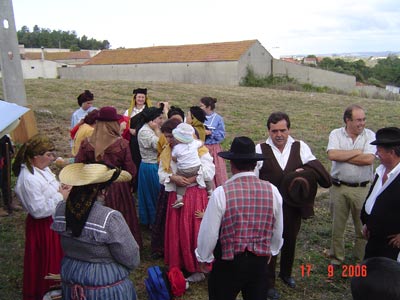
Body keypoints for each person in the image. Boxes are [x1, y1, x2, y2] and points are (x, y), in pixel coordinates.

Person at [195, 136, 284, 300]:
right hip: (259, 262)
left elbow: (209, 232)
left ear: (232, 163)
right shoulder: (272, 191)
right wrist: (272, 249)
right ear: (255, 164)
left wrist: (204, 256)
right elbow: (278, 229)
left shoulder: (221, 193)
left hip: (228, 263)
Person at [255, 111, 330, 300]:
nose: (279, 135)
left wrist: (303, 171)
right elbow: (254, 178)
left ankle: (286, 273)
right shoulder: (260, 149)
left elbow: (318, 170)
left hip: (292, 206)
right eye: (274, 131)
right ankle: (269, 283)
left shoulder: (300, 147)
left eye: (283, 130)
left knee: (290, 239)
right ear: (269, 131)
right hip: (269, 206)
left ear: (289, 129)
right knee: (271, 243)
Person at [52, 163, 140, 300]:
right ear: (103, 191)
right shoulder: (109, 218)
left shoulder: (60, 209)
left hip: (71, 276)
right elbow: (130, 256)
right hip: (104, 283)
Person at [12, 134, 71, 300]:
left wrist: (62, 187)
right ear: (35, 157)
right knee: (47, 261)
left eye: (52, 154)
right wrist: (61, 196)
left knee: (57, 257)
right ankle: (47, 292)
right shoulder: (28, 180)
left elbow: (52, 188)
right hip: (43, 226)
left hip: (53, 221)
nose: (52, 158)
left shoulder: (42, 169)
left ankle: (59, 290)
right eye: (48, 155)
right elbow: (38, 211)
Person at [75, 106, 143, 248]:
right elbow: (131, 170)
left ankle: (94, 244)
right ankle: (122, 246)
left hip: (91, 186)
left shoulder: (87, 143)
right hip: (116, 187)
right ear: (114, 124)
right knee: (119, 218)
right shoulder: (122, 144)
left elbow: (78, 165)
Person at [159, 120, 215, 279]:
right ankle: (180, 263)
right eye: (166, 137)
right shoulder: (167, 152)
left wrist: (190, 179)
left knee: (193, 229)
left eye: (171, 137)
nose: (169, 140)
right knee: (178, 230)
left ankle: (197, 267)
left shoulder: (199, 149)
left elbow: (209, 171)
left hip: (195, 195)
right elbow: (162, 174)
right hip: (177, 195)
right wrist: (173, 177)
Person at [327, 104, 375, 268]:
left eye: (363, 119)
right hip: (339, 188)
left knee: (362, 228)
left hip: (362, 190)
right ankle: (336, 259)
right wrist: (357, 152)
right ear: (348, 120)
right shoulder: (335, 134)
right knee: (337, 227)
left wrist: (343, 156)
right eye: (358, 120)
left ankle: (358, 260)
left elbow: (369, 160)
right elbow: (332, 154)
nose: (362, 123)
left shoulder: (370, 135)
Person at [361, 127, 400, 261]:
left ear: (392, 153)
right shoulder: (380, 171)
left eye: (379, 151)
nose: (376, 154)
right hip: (374, 240)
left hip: (392, 247)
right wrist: (368, 223)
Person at [171, 122, 213, 208]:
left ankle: (179, 198)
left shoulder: (176, 148)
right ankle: (210, 191)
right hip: (196, 168)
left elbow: (174, 158)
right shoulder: (194, 144)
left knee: (180, 184)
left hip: (192, 185)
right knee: (208, 180)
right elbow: (201, 142)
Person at [137, 105, 164, 226]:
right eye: (159, 118)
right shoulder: (144, 132)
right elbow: (160, 145)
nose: (161, 121)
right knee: (153, 194)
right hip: (149, 167)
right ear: (152, 120)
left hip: (154, 166)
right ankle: (153, 221)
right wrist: (158, 130)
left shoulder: (150, 129)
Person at [200, 96, 228, 187]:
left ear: (208, 107)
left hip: (214, 149)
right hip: (202, 148)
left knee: (217, 171)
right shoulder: (199, 117)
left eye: (202, 106)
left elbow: (222, 135)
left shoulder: (218, 118)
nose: (200, 108)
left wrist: (211, 133)